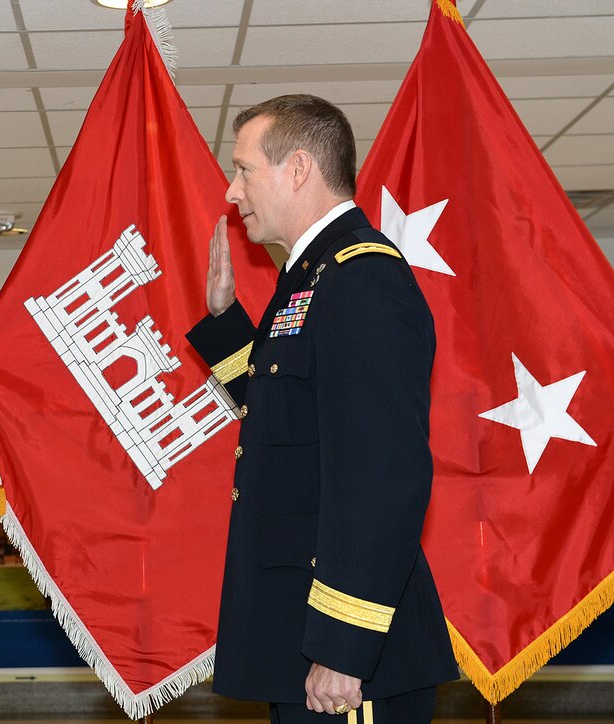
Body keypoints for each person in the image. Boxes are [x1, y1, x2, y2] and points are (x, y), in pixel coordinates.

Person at [186, 95, 458, 723]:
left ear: (299, 168)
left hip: (348, 658)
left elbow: (381, 476)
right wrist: (228, 324)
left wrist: (343, 646)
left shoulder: (362, 279)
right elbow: (285, 419)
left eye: (244, 169)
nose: (232, 191)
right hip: (305, 639)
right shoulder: (311, 276)